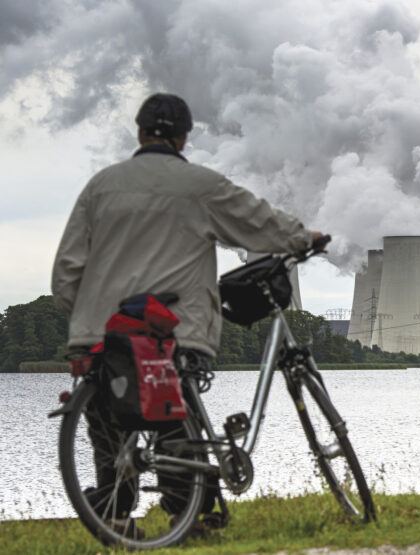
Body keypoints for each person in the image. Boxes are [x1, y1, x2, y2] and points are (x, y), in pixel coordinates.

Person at [51, 92, 324, 533]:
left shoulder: (100, 187)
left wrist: (86, 317)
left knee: (108, 425)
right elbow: (258, 222)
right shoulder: (201, 186)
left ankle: (117, 517)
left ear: (139, 132)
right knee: (174, 418)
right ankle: (187, 515)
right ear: (183, 139)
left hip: (101, 331)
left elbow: (67, 271)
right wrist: (302, 237)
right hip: (170, 327)